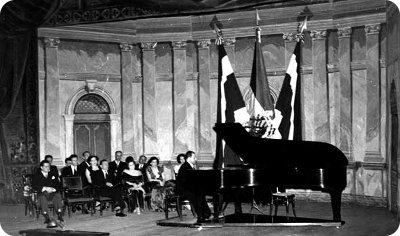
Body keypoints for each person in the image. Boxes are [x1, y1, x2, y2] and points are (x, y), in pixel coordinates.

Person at [177, 151, 212, 223]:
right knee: (197, 195)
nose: (195, 159)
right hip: (183, 189)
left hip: (188, 187)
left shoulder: (189, 166)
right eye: (194, 157)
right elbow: (184, 181)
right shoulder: (186, 166)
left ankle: (205, 213)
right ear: (189, 158)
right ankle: (200, 216)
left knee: (200, 193)